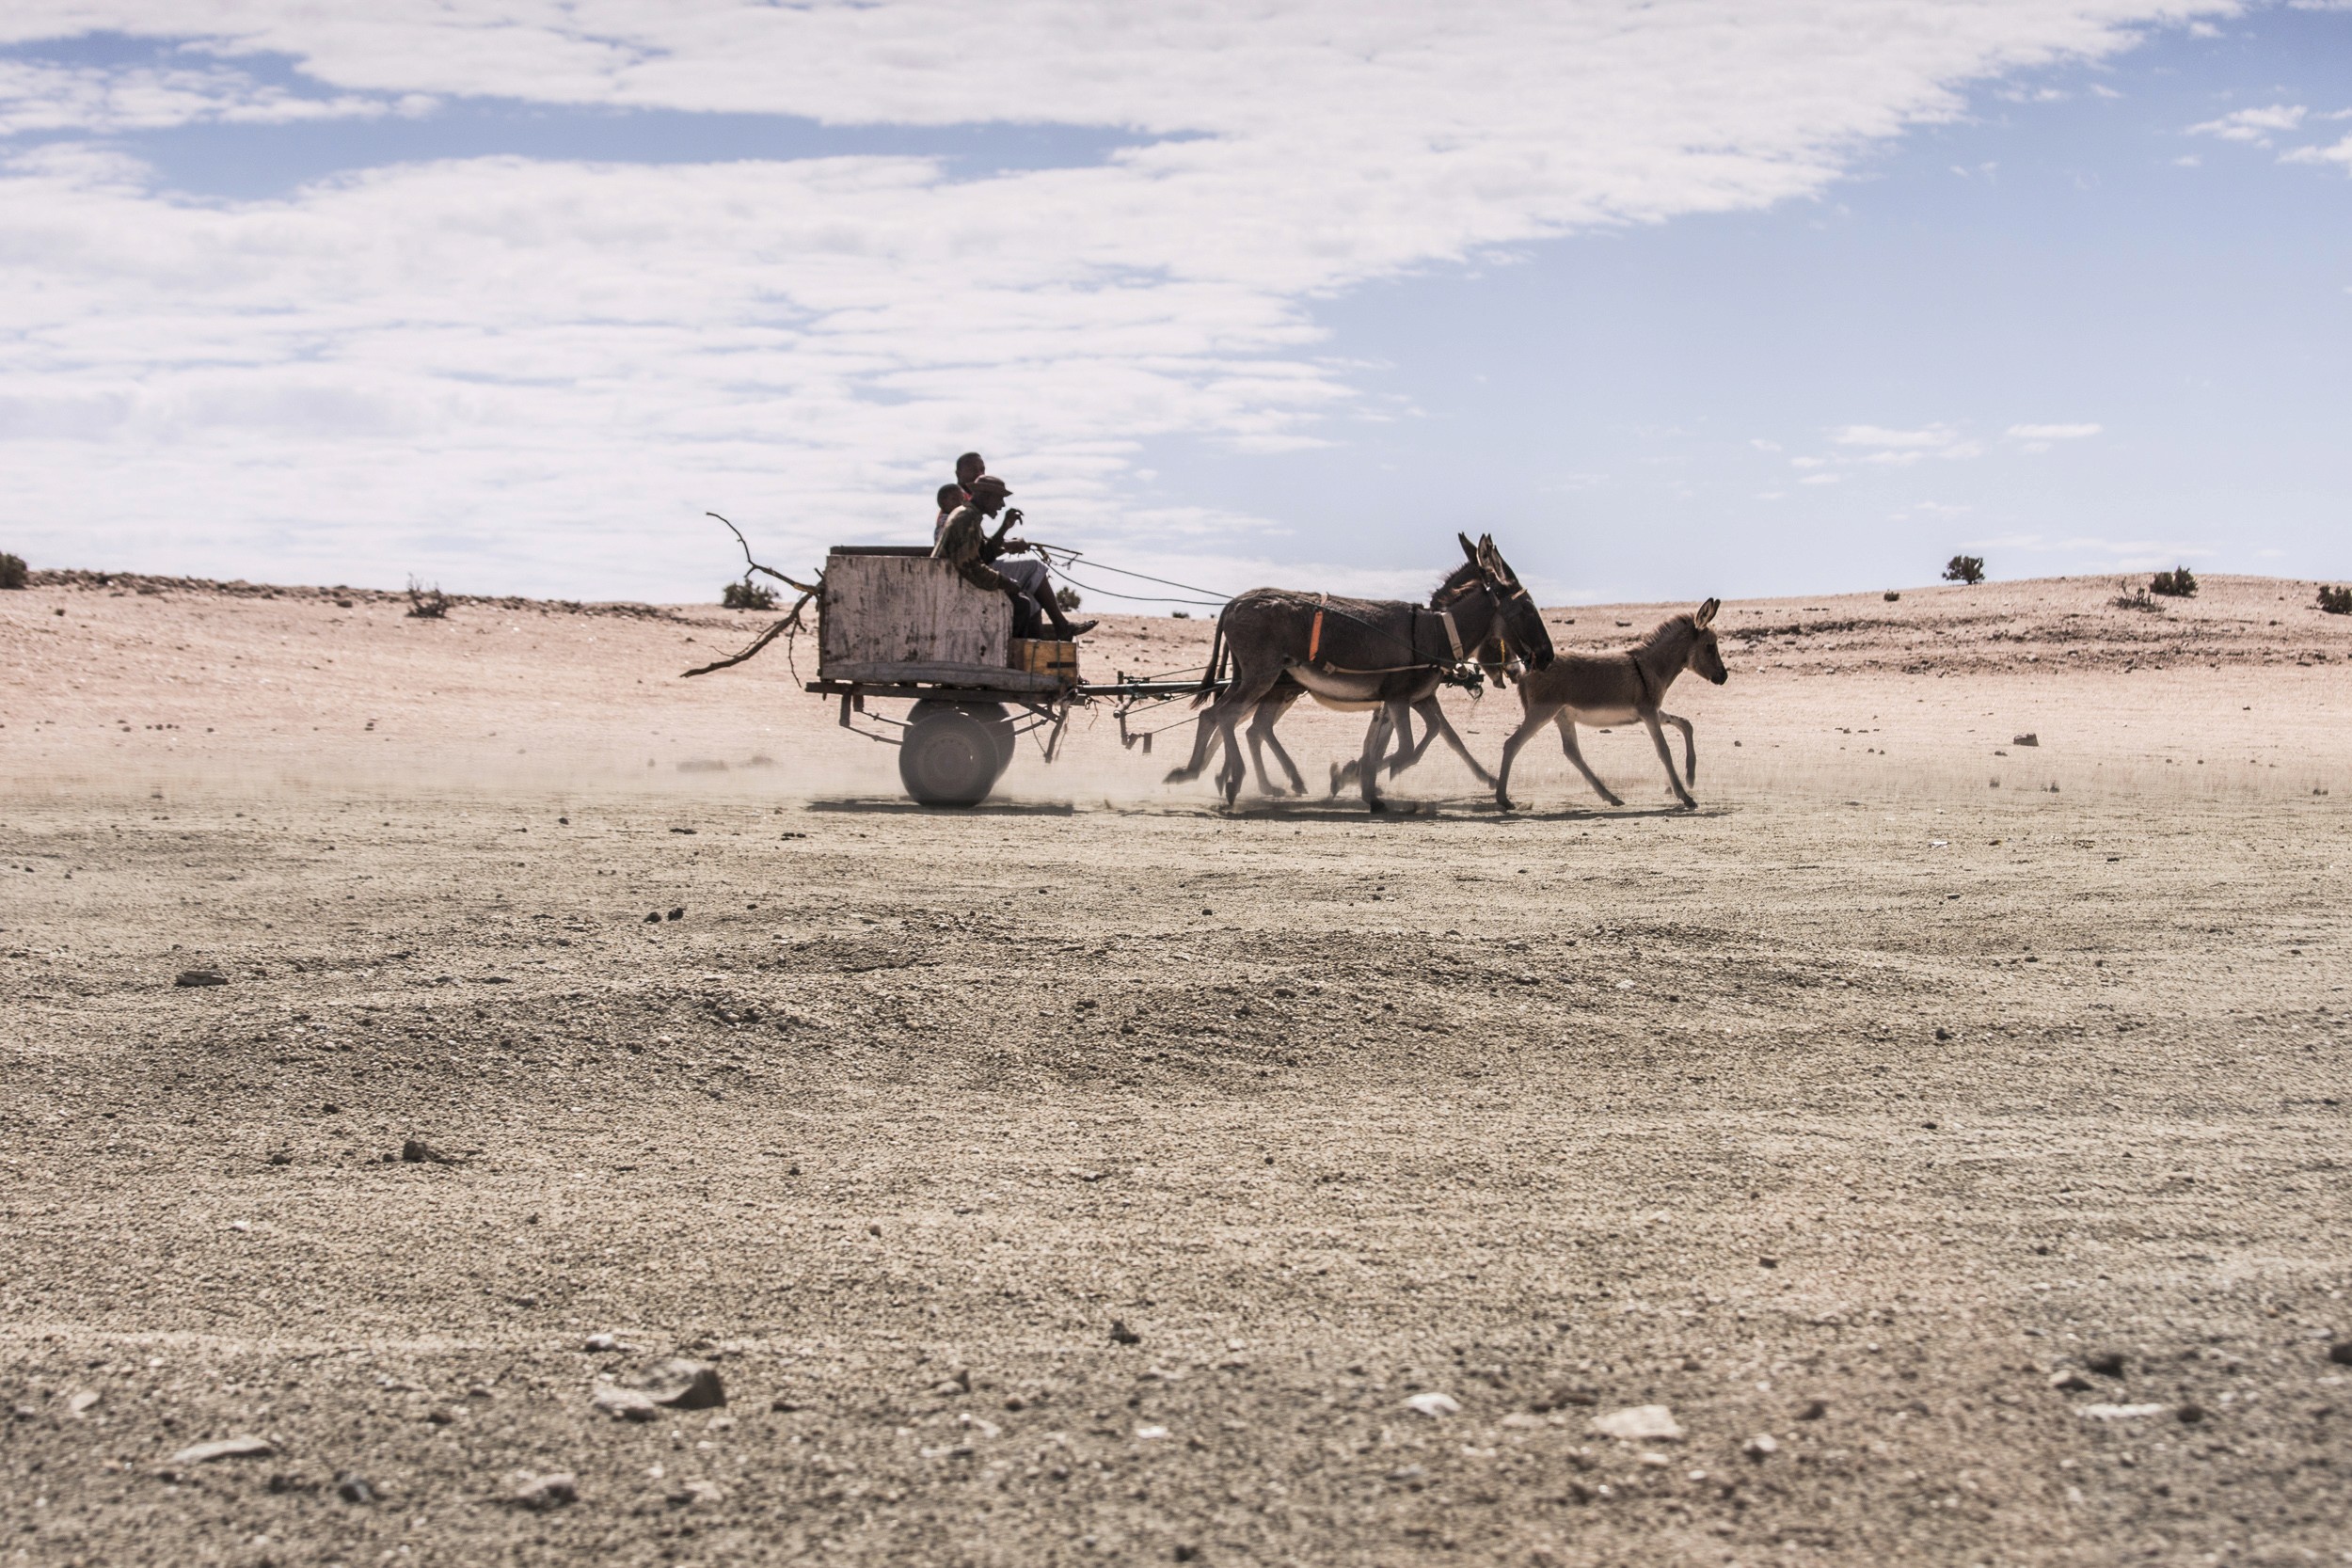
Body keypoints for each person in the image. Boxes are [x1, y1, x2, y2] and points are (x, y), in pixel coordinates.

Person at [932, 474, 1095, 640]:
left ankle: (1039, 644)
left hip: (961, 581)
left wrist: (1005, 526)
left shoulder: (969, 515)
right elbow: (970, 566)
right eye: (999, 499)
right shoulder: (966, 518)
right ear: (986, 496)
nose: (1002, 505)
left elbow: (985, 555)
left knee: (1027, 600)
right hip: (957, 586)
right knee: (1021, 604)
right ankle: (1016, 653)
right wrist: (1004, 581)